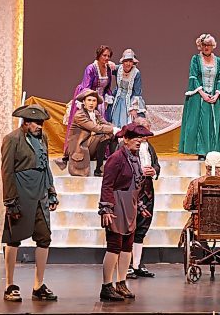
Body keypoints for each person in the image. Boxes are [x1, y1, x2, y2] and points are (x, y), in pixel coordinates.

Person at [1, 104, 59, 302]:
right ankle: (9, 285)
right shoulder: (12, 139)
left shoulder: (42, 138)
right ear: (25, 123)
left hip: (40, 193)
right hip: (21, 193)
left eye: (41, 123)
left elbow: (46, 165)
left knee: (44, 238)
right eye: (35, 123)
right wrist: (10, 201)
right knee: (13, 237)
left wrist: (51, 191)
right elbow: (7, 171)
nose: (39, 126)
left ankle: (38, 285)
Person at [98, 122, 154, 302]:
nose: (139, 141)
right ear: (126, 139)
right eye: (136, 138)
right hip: (117, 204)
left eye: (141, 138)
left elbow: (136, 185)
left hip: (130, 206)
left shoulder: (135, 158)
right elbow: (107, 185)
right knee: (114, 246)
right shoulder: (116, 158)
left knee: (127, 246)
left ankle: (121, 283)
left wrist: (141, 206)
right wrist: (106, 208)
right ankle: (107, 286)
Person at [181, 151, 220, 245]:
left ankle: (205, 249)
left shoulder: (195, 183)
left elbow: (187, 206)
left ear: (206, 165)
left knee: (192, 223)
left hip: (200, 226)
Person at [179, 33, 220, 160]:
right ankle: (201, 151)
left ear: (213, 46)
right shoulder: (195, 59)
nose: (206, 47)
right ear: (200, 46)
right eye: (204, 45)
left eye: (209, 45)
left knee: (213, 122)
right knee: (200, 122)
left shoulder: (218, 60)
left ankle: (213, 151)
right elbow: (193, 76)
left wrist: (217, 94)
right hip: (199, 96)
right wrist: (203, 94)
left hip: (213, 97)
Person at [55, 89, 119, 177]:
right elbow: (95, 128)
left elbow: (106, 124)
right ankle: (98, 169)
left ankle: (114, 165)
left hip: (90, 143)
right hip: (80, 146)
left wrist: (117, 129)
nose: (91, 103)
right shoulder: (80, 115)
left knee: (112, 135)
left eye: (94, 101)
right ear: (84, 102)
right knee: (104, 135)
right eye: (89, 100)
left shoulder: (96, 113)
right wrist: (112, 129)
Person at [127, 117, 160, 279]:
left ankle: (136, 264)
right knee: (129, 226)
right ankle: (126, 265)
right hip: (133, 189)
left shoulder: (149, 147)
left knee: (142, 226)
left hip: (147, 189)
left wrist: (153, 171)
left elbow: (156, 164)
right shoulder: (127, 146)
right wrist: (140, 171)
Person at [64, 45, 113, 153]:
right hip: (89, 98)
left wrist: (106, 100)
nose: (106, 58)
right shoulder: (91, 68)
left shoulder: (108, 69)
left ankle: (101, 152)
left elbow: (108, 87)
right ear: (99, 55)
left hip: (101, 100)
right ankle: (79, 150)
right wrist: (89, 102)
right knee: (88, 125)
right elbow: (87, 87)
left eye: (108, 56)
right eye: (104, 55)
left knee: (102, 124)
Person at [107, 48, 146, 128]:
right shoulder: (119, 69)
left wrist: (134, 107)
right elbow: (107, 67)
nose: (128, 64)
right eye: (126, 61)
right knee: (113, 118)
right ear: (123, 62)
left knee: (128, 121)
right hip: (117, 98)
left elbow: (137, 92)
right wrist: (109, 63)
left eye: (130, 61)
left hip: (129, 100)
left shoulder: (136, 73)